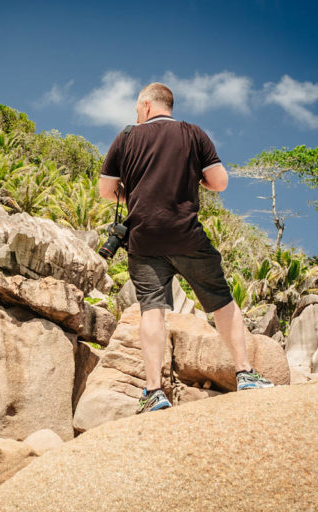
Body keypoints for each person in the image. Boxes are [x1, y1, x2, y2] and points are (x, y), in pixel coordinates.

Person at [98, 82, 274, 415]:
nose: (136, 114)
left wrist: (132, 195)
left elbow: (107, 189)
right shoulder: (194, 134)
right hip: (186, 234)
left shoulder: (125, 137)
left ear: (148, 106)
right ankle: (244, 373)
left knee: (152, 310)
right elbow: (220, 182)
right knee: (221, 300)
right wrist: (194, 180)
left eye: (138, 108)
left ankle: (153, 391)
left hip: (143, 238)